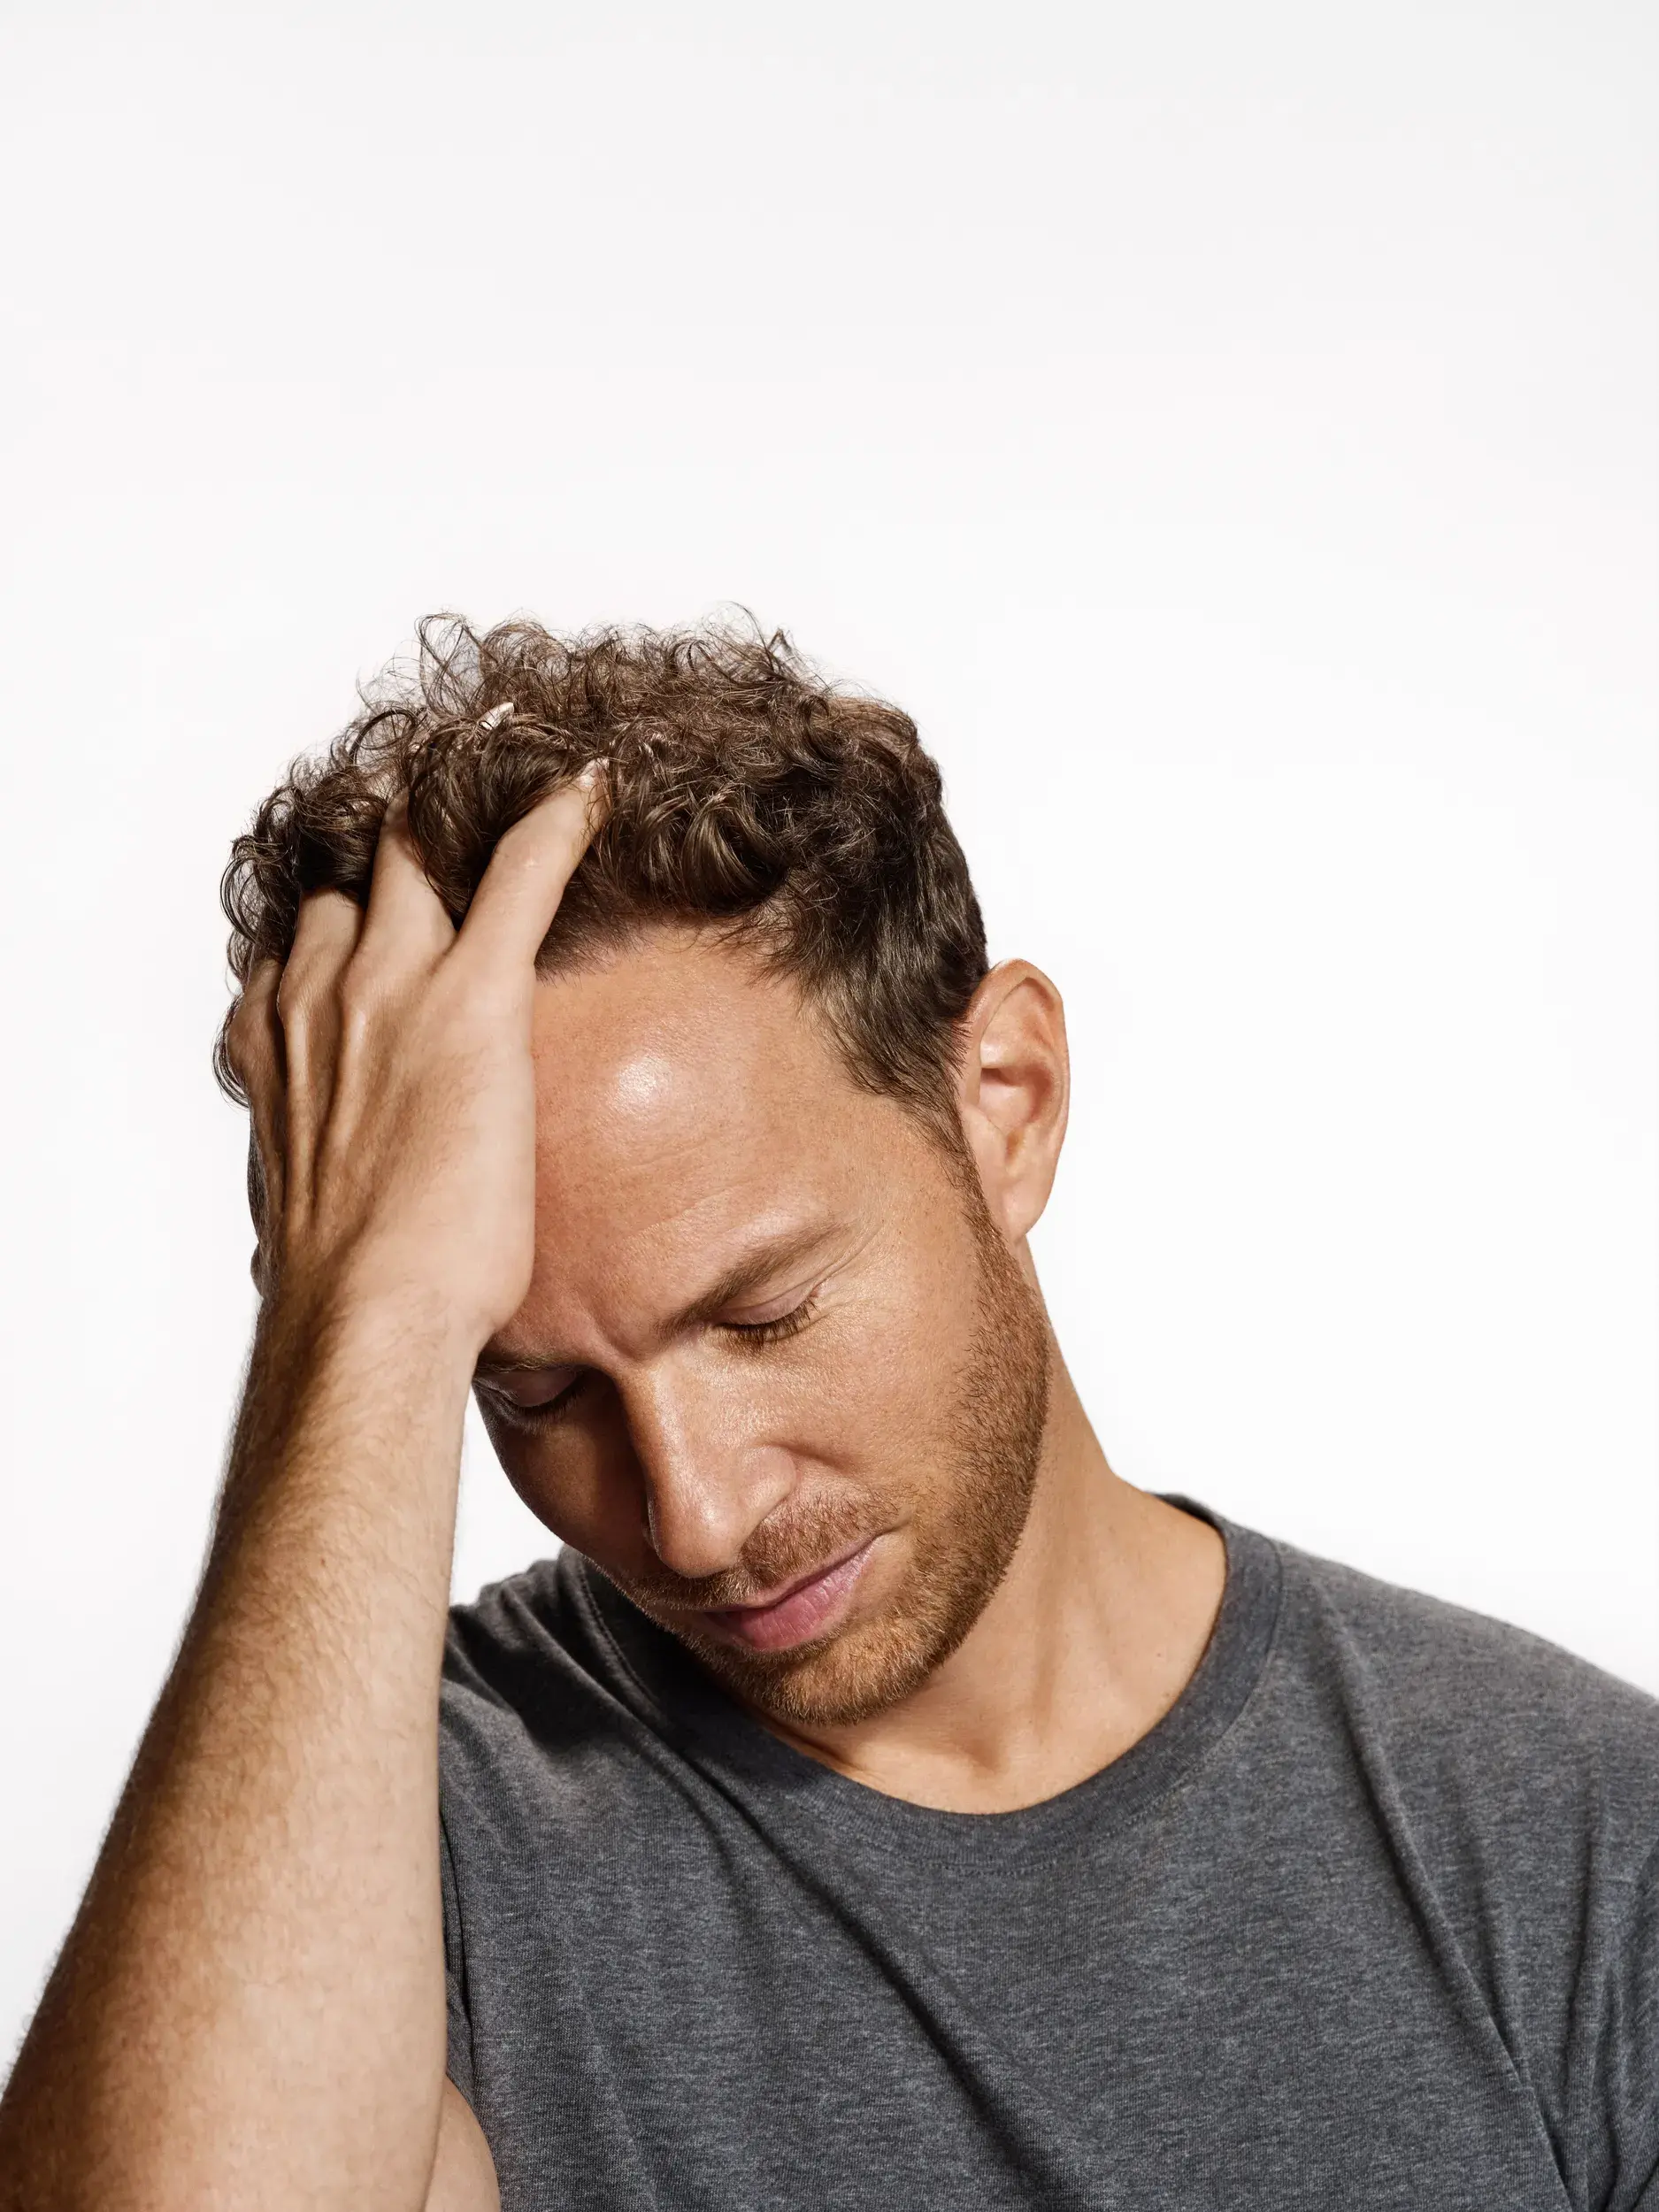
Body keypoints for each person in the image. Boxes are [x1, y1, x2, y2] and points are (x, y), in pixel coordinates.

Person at [2, 616, 1655, 2212]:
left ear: (1001, 1104)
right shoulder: (396, 1849)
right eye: (532, 1390)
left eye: (762, 1314)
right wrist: (357, 1314)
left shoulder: (1567, 1842)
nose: (694, 1514)